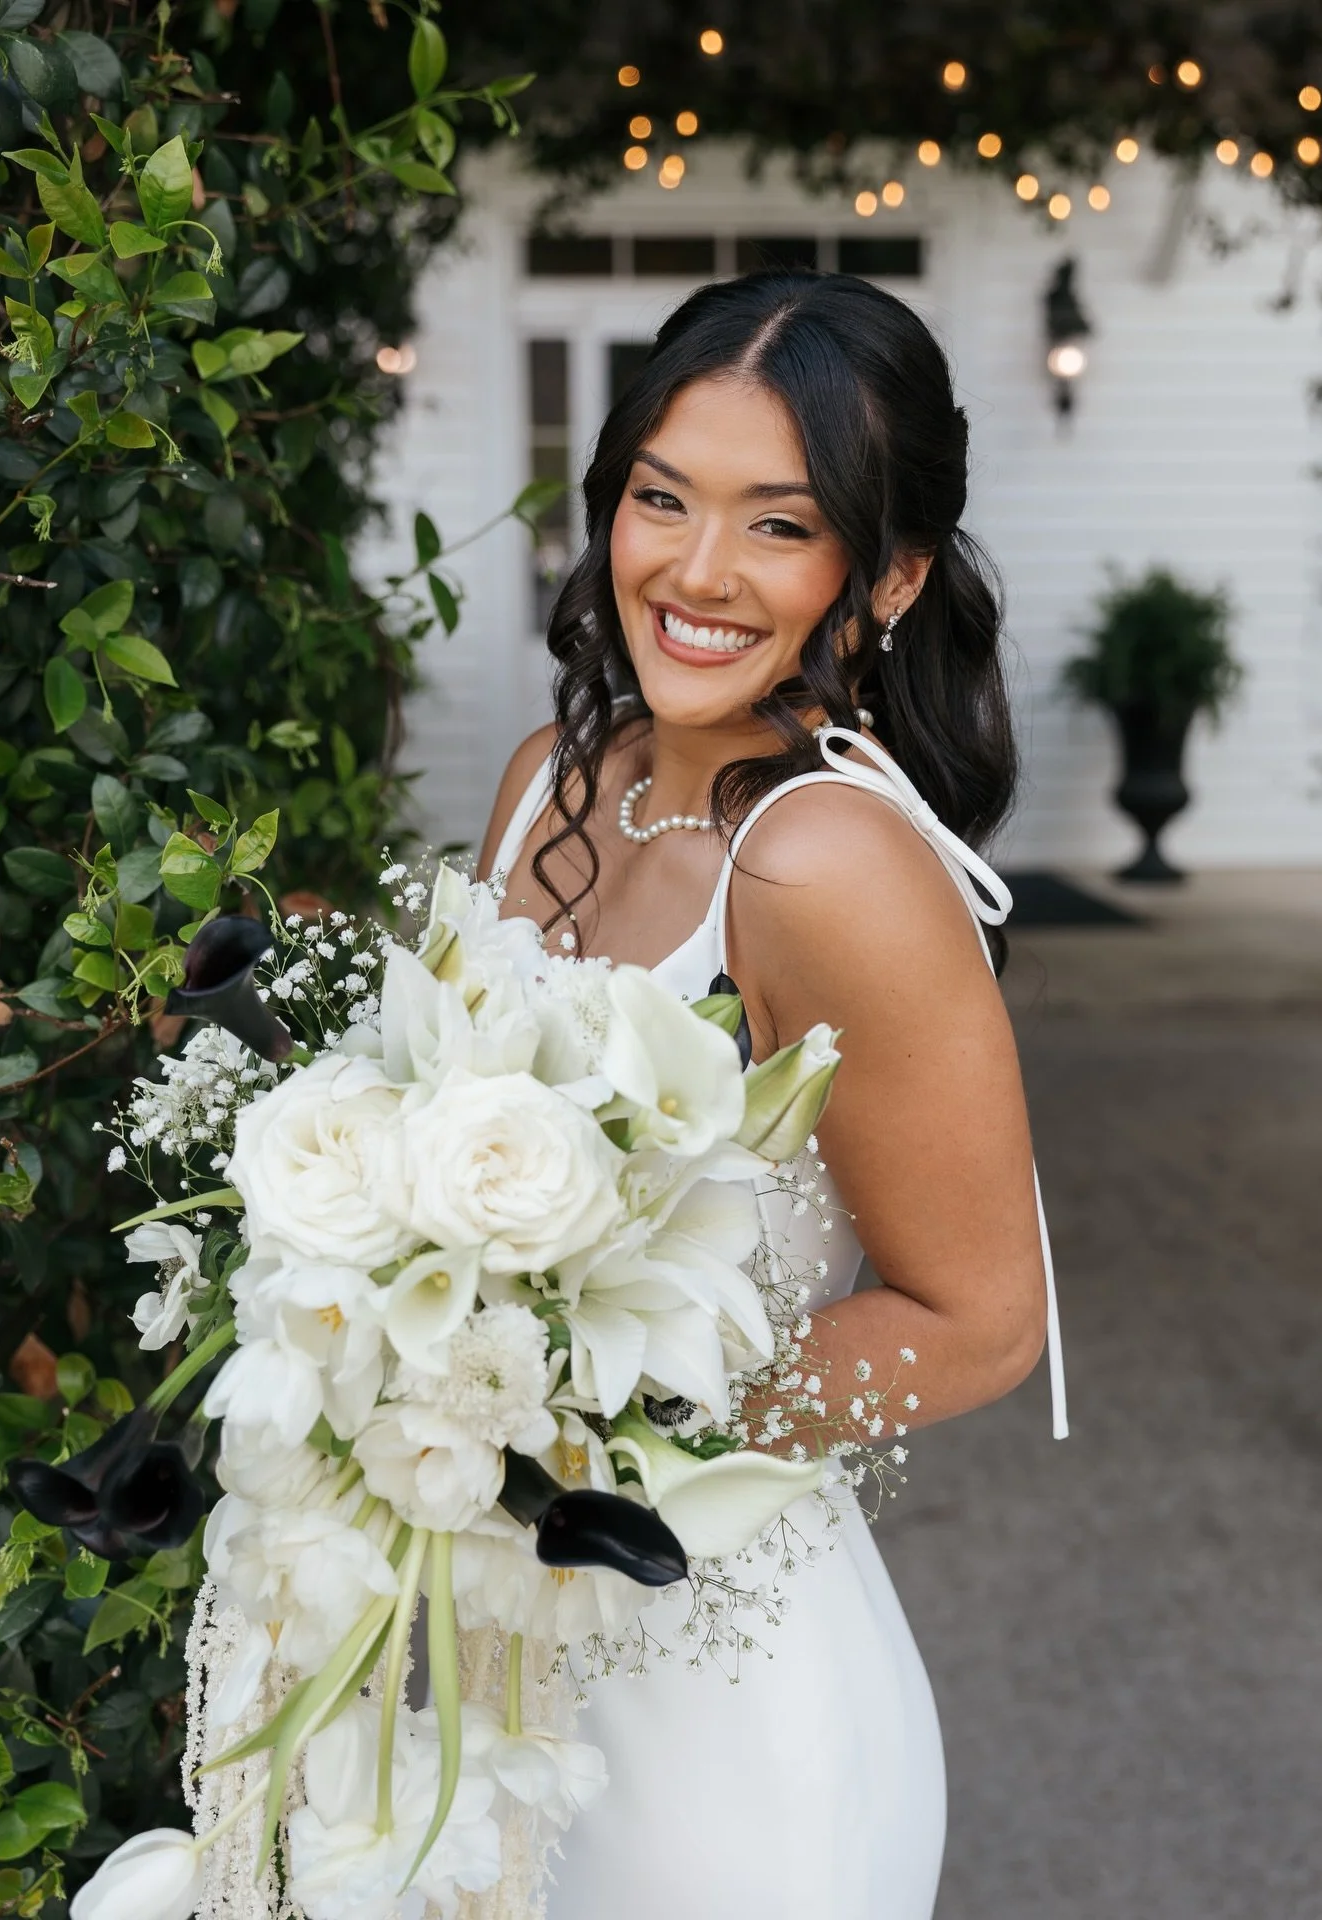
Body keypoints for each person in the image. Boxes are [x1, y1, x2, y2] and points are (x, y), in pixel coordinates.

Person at [477, 269, 1065, 1920]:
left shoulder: (824, 864)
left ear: (885, 574)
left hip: (717, 1721)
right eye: (662, 499)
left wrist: (583, 1442)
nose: (699, 572)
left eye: (779, 526)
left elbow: (977, 1318)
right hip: (475, 1642)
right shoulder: (548, 785)